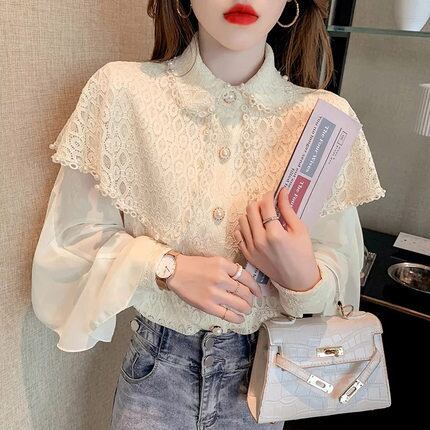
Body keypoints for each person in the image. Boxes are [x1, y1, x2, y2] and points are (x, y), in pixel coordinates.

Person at [31, 0, 386, 428]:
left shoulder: (323, 118)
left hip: (267, 379)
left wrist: (303, 277)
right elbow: (71, 241)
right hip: (155, 380)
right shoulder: (121, 92)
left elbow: (341, 278)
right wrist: (165, 267)